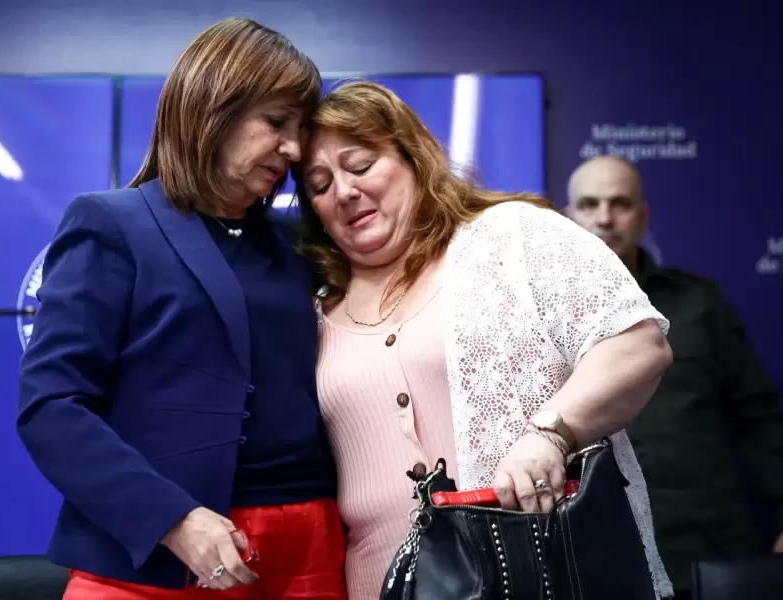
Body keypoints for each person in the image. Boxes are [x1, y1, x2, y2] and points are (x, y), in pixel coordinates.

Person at [291, 80, 676, 600]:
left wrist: (552, 434)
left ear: (414, 156)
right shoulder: (312, 309)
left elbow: (637, 346)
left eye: (360, 166)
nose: (344, 190)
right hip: (376, 582)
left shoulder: (513, 237)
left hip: (538, 572)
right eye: (318, 185)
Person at [17, 17, 346, 600]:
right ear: (213, 106)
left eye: (300, 129)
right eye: (276, 123)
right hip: (161, 555)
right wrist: (172, 519)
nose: (293, 149)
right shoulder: (111, 223)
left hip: (308, 547)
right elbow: (52, 406)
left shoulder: (303, 243)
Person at [566, 155, 783, 600]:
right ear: (568, 217)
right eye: (589, 204)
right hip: (589, 561)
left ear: (642, 216)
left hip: (703, 551)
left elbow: (758, 420)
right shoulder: (539, 321)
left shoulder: (699, 304)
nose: (604, 218)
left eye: (620, 204)